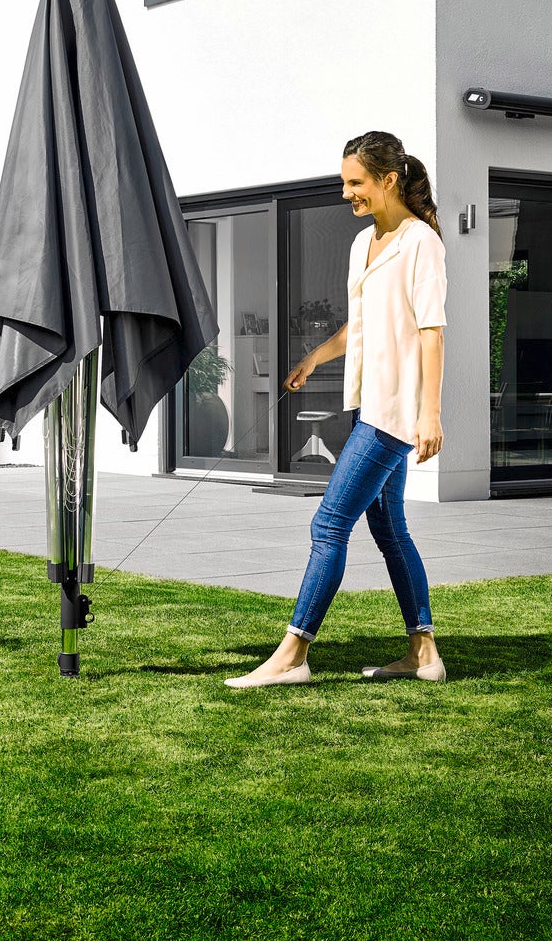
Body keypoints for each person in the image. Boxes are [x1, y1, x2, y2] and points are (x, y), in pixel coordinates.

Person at [226, 130, 448, 687]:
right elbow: (361, 326)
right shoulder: (362, 243)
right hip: (367, 405)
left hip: (393, 413)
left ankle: (293, 655)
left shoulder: (421, 243)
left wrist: (430, 414)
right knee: (389, 527)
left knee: (329, 524)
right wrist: (313, 359)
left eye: (356, 182)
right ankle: (424, 653)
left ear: (388, 180)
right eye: (344, 182)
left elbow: (432, 332)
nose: (346, 193)